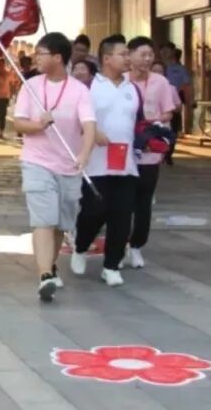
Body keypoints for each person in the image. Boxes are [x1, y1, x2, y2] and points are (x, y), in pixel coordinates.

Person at [12, 32, 95, 302]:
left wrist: (84, 154)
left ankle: (51, 264)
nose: (36, 58)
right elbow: (19, 123)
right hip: (36, 162)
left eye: (41, 53)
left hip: (68, 166)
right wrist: (39, 125)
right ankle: (45, 275)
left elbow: (89, 126)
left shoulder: (79, 90)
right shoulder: (30, 86)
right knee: (43, 221)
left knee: (60, 224)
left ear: (58, 58)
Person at [70, 35, 139, 287]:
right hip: (96, 165)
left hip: (126, 164)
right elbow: (74, 118)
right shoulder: (89, 87)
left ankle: (111, 266)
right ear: (107, 58)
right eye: (123, 54)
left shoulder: (132, 88)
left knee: (122, 216)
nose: (128, 58)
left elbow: (139, 122)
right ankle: (80, 246)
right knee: (94, 212)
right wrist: (93, 131)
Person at [124, 37, 179, 267]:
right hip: (124, 149)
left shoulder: (160, 82)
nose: (147, 59)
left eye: (150, 55)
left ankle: (136, 245)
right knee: (122, 201)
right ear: (129, 55)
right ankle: (119, 245)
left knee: (144, 201)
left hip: (149, 149)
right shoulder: (121, 81)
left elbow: (169, 112)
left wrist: (152, 122)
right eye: (142, 54)